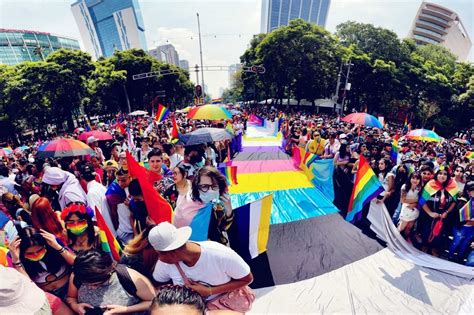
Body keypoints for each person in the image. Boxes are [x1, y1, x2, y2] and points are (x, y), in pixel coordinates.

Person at [150, 223, 254, 312]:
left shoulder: (220, 254)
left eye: (159, 254)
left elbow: (247, 279)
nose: (159, 259)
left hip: (225, 306)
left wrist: (210, 291)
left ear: (172, 253)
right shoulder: (165, 264)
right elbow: (158, 283)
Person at [66, 249, 156, 315]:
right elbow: (71, 298)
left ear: (110, 272)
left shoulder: (130, 277)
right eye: (86, 284)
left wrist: (125, 309)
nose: (91, 288)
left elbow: (155, 302)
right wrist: (75, 306)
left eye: (96, 284)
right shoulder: (77, 275)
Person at [9, 226, 76, 299]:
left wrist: (57, 246)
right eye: (30, 253)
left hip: (72, 287)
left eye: (39, 250)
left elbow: (77, 263)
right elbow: (27, 285)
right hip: (50, 297)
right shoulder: (14, 256)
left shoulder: (53, 243)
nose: (36, 255)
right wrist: (16, 261)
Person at [418, 168, 458, 256]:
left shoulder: (453, 185)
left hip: (443, 215)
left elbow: (454, 202)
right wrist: (430, 213)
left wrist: (446, 212)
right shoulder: (430, 184)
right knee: (427, 231)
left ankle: (434, 248)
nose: (442, 176)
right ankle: (425, 246)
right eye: (440, 173)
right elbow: (422, 201)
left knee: (440, 233)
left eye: (445, 174)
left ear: (448, 176)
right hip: (429, 214)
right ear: (436, 174)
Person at [79, 163, 116, 236]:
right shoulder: (101, 187)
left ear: (82, 178)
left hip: (107, 234)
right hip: (112, 228)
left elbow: (96, 218)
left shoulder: (91, 193)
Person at [397, 172, 422, 240]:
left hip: (415, 210)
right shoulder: (405, 187)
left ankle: (404, 241)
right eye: (413, 178)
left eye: (417, 179)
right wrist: (416, 201)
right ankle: (395, 240)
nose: (415, 180)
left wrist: (415, 204)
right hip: (406, 210)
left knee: (409, 227)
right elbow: (402, 200)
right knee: (401, 227)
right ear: (410, 178)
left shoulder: (419, 188)